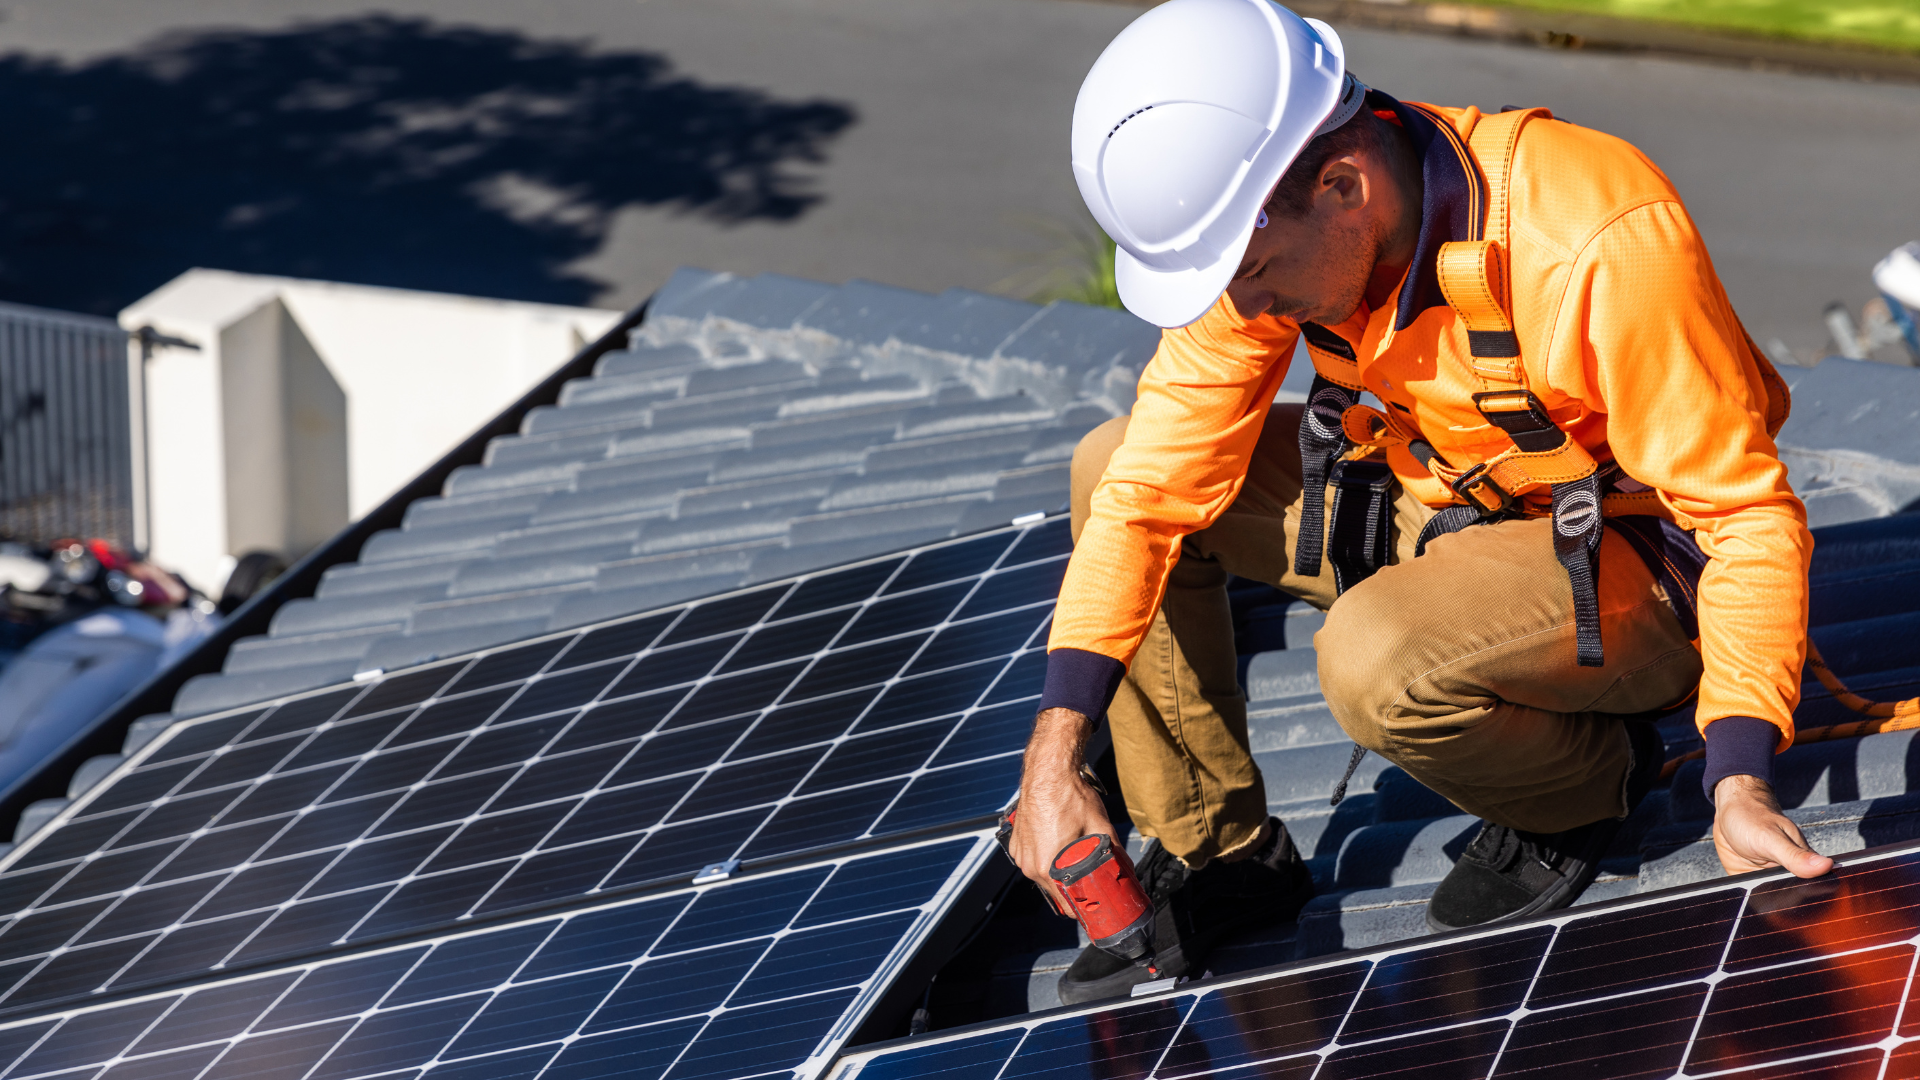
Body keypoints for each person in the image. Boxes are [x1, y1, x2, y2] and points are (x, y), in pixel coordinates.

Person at [1007, 0, 1833, 1005]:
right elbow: (1144, 493)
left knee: (1373, 657)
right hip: (1444, 503)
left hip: (1630, 567)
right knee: (1108, 464)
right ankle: (1222, 851)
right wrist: (1054, 756)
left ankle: (1580, 785)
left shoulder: (1594, 235)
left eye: (1253, 274)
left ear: (1344, 184)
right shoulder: (1285, 239)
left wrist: (1738, 773)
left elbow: (1743, 521)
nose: (1249, 310)